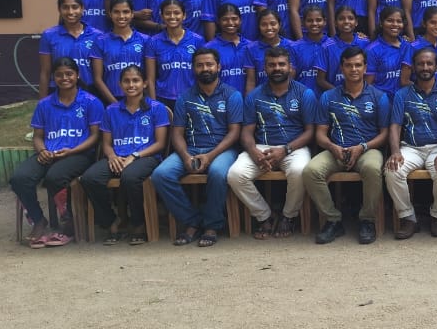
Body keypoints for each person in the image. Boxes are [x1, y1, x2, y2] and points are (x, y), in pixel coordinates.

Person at [150, 47, 243, 248]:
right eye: (200, 65)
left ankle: (212, 225)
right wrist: (185, 156)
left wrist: (210, 156)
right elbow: (177, 133)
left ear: (218, 67)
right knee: (160, 175)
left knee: (217, 173)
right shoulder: (185, 97)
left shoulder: (232, 95)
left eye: (209, 64)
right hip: (191, 148)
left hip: (222, 149)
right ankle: (192, 221)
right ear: (193, 68)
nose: (205, 68)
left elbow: (234, 133)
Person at [227, 46, 319, 239]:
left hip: (294, 146)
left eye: (281, 64)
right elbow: (246, 132)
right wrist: (253, 151)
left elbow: (311, 132)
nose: (277, 68)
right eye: (272, 65)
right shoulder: (254, 95)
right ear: (265, 68)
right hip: (262, 146)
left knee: (299, 171)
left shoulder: (305, 93)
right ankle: (264, 216)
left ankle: (288, 216)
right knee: (235, 174)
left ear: (290, 67)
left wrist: (285, 150)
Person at [11, 58, 103, 247]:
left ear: (77, 75)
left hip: (79, 154)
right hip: (49, 154)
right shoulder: (45, 104)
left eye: (69, 74)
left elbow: (95, 136)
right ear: (54, 77)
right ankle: (38, 220)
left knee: (55, 177)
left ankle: (69, 223)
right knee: (20, 178)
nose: (64, 78)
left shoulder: (91, 102)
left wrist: (72, 151)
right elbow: (38, 136)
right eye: (59, 75)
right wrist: (42, 150)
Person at [305, 46, 390, 245]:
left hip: (367, 149)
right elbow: (320, 134)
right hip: (337, 150)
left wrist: (362, 147)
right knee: (311, 171)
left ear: (365, 67)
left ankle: (367, 220)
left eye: (358, 65)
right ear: (341, 68)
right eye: (349, 65)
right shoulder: (328, 97)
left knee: (372, 168)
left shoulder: (379, 97)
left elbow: (385, 134)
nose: (354, 69)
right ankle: (333, 220)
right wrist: (332, 147)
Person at [79, 65, 170, 246]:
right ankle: (111, 222)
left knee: (130, 177)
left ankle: (138, 223)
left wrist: (135, 156)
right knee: (90, 178)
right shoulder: (111, 110)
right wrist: (112, 156)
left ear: (144, 83)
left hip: (146, 157)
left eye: (136, 80)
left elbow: (160, 144)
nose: (131, 85)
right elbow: (106, 144)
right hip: (118, 157)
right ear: (120, 84)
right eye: (126, 81)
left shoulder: (156, 108)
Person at [385, 47, 437, 239]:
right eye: (421, 64)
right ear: (413, 67)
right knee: (392, 171)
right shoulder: (402, 94)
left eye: (429, 63)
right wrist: (395, 151)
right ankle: (408, 218)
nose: (425, 67)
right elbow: (395, 126)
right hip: (411, 147)